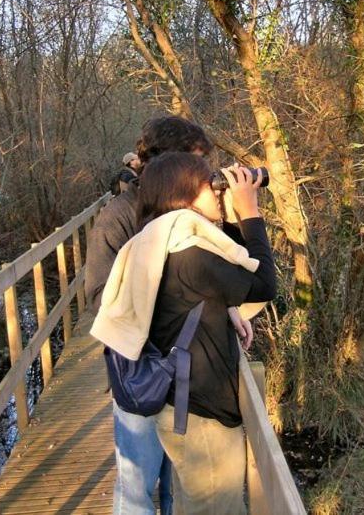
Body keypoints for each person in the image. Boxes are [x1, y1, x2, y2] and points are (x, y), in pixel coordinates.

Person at [94, 153, 276, 515]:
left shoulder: (162, 240)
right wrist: (250, 213)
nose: (217, 188)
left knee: (194, 503)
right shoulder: (189, 250)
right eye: (209, 183)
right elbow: (263, 285)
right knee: (214, 508)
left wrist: (226, 306)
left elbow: (210, 284)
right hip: (201, 416)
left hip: (183, 408)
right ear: (186, 195)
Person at [84, 116, 212, 515]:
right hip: (140, 372)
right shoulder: (118, 216)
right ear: (167, 162)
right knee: (137, 488)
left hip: (188, 372)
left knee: (178, 486)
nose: (204, 173)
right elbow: (99, 297)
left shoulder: (194, 213)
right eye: (195, 162)